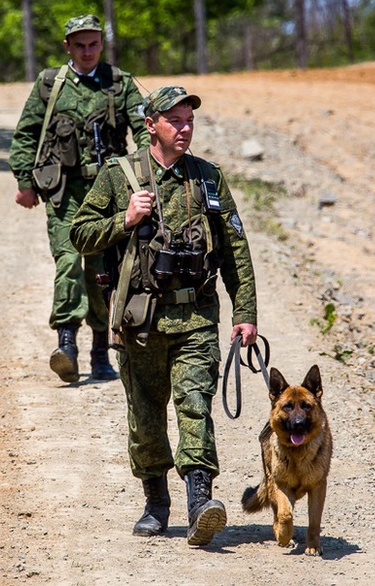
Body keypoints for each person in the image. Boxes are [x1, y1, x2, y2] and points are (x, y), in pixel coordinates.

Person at [70, 86, 258, 546]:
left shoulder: (208, 178)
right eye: (174, 120)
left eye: (190, 120)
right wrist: (125, 220)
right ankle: (156, 503)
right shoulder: (120, 176)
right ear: (151, 124)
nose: (185, 128)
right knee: (147, 418)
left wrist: (245, 311)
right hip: (140, 323)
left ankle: (200, 504)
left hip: (196, 317)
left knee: (195, 406)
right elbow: (79, 233)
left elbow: (235, 249)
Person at [9, 14, 149, 383]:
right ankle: (66, 345)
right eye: (80, 45)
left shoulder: (119, 84)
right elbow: (26, 133)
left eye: (94, 44)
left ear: (101, 44)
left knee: (103, 273)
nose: (87, 51)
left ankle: (101, 352)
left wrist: (152, 174)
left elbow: (145, 130)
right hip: (66, 194)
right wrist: (25, 181)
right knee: (69, 261)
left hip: (109, 193)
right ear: (67, 46)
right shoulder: (50, 84)